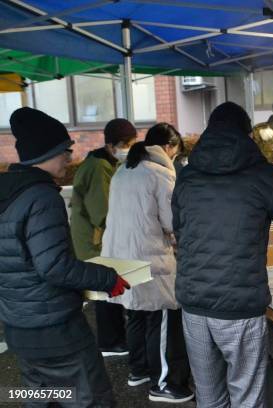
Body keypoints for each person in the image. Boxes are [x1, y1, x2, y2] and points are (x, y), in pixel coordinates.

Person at [172, 102, 273, 408]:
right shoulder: (266, 175)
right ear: (247, 135)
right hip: (239, 307)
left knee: (209, 397)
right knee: (246, 397)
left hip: (193, 304)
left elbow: (180, 229)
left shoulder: (187, 175)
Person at [0, 107, 130, 407]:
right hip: (58, 331)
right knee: (88, 398)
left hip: (19, 328)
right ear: (50, 151)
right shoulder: (42, 196)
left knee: (42, 397)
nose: (69, 158)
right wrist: (108, 278)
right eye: (66, 151)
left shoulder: (8, 193)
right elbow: (55, 266)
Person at [102, 123, 193, 403]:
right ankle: (163, 383)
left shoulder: (124, 170)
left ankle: (139, 370)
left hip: (120, 256)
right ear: (169, 147)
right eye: (175, 152)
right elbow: (171, 223)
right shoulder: (160, 174)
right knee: (162, 316)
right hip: (148, 256)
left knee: (137, 314)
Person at [71, 118, 137, 357]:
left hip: (92, 238)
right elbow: (103, 212)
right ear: (112, 146)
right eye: (127, 144)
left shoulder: (101, 163)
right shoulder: (99, 167)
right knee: (104, 289)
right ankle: (110, 342)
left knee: (106, 288)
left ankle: (113, 339)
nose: (129, 149)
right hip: (94, 240)